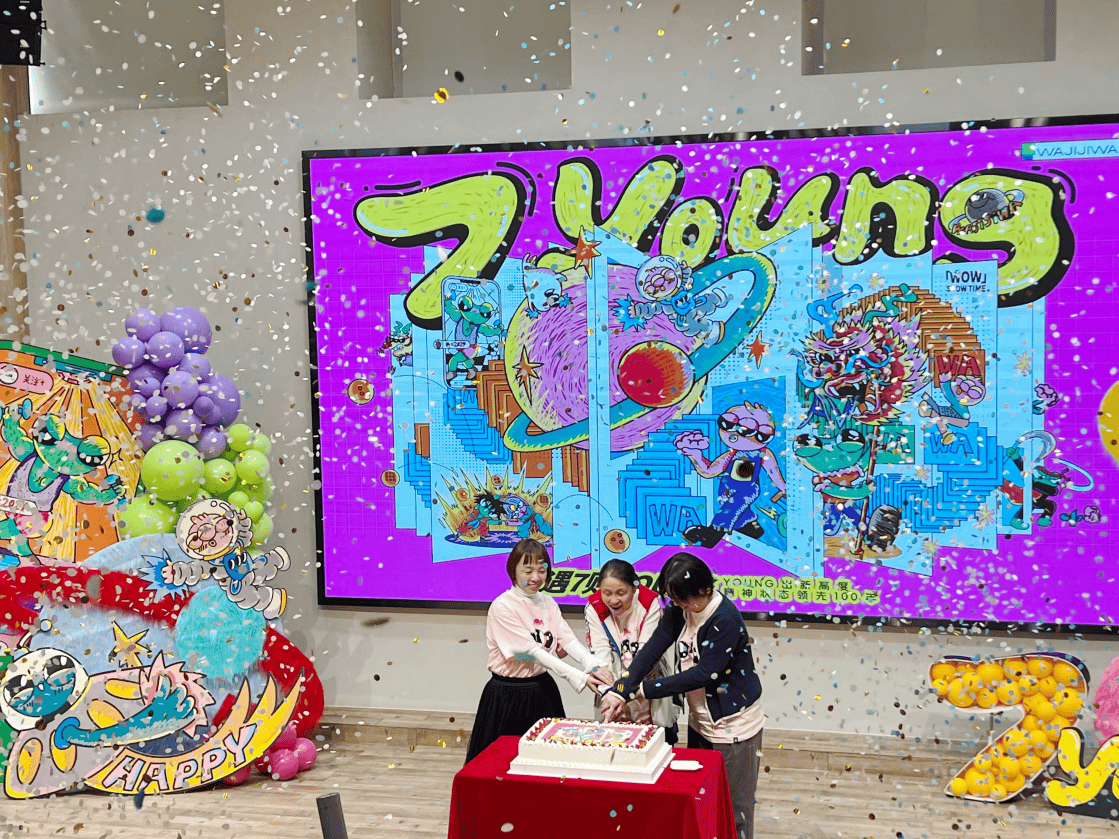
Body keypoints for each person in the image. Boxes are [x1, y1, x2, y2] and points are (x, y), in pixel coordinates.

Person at [601, 552, 763, 839]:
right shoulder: (681, 608)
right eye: (675, 599)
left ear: (705, 588)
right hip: (701, 722)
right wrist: (621, 689)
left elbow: (704, 674)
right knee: (703, 798)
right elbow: (653, 647)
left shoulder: (725, 618)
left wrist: (644, 690)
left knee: (735, 808)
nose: (681, 606)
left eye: (685, 600)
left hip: (733, 727)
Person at [465, 538, 610, 763]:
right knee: (500, 765)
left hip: (542, 691)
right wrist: (578, 676)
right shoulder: (503, 607)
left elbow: (568, 639)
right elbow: (530, 653)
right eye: (528, 570)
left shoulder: (548, 602)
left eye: (541, 570)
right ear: (513, 570)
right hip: (507, 697)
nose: (535, 577)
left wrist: (592, 665)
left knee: (549, 764)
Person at [583, 559, 679, 743]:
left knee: (653, 743)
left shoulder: (649, 602)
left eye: (621, 593)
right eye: (607, 593)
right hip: (612, 688)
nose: (613, 600)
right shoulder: (594, 606)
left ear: (634, 588)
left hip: (645, 683)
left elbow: (646, 655)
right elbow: (601, 656)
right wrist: (609, 693)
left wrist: (622, 692)